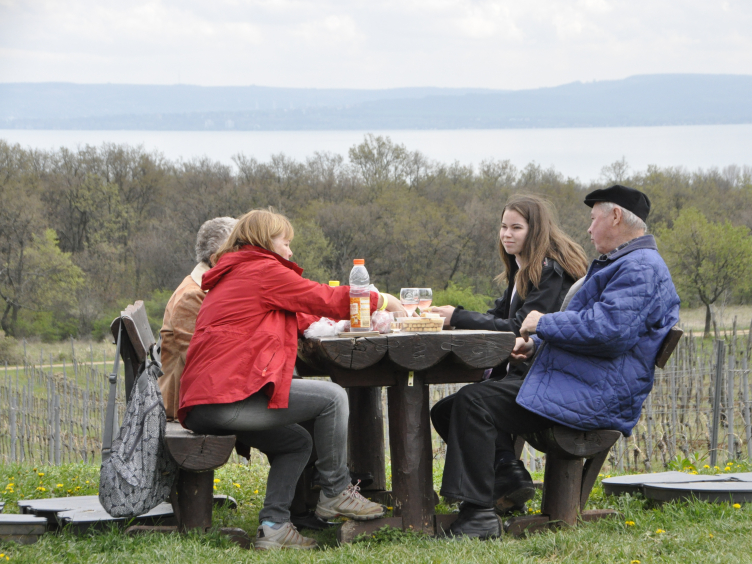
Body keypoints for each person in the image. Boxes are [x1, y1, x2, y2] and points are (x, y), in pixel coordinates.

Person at [441, 185, 680, 539]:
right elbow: (598, 331)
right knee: (454, 406)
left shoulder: (640, 268)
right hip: (581, 383)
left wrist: (544, 323)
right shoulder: (624, 263)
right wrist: (536, 347)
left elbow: (611, 331)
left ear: (616, 217)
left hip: (594, 396)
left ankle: (478, 515)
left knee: (473, 402)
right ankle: (502, 485)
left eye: (593, 219)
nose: (588, 229)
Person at [178, 209, 405, 551]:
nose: (290, 251)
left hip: (207, 399)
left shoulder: (238, 272)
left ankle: (274, 528)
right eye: (286, 242)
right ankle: (335, 491)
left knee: (296, 442)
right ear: (265, 242)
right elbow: (325, 298)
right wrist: (384, 300)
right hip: (223, 399)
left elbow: (297, 310)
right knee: (332, 397)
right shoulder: (261, 269)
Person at [429, 194, 587, 514]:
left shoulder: (550, 271)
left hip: (547, 382)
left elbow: (518, 327)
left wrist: (456, 316)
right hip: (529, 376)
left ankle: (481, 502)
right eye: (503, 226)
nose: (507, 234)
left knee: (469, 402)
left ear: (536, 230)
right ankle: (508, 475)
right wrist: (449, 321)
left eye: (516, 227)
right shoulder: (523, 271)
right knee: (444, 411)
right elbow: (498, 315)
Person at [160, 217, 236, 420]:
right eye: (238, 251)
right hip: (189, 405)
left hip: (203, 396)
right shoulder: (194, 295)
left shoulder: (208, 288)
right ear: (216, 259)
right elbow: (203, 364)